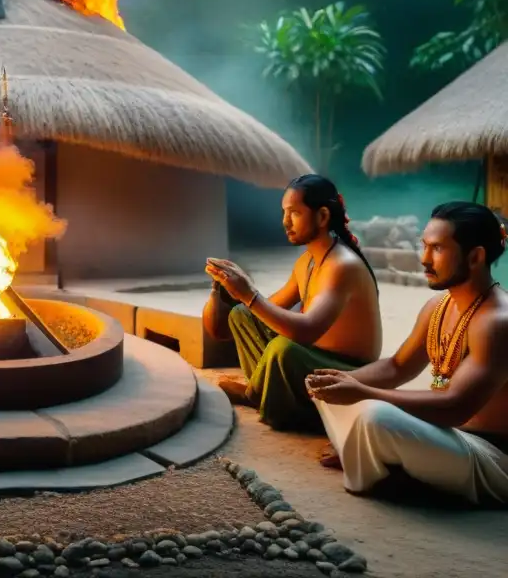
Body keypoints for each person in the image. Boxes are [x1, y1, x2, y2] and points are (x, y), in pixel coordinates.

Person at [307, 202, 508, 504]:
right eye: (423, 246)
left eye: (437, 249)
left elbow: (456, 406)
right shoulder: (438, 307)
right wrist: (344, 380)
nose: (424, 259)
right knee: (326, 389)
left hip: (490, 456)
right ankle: (378, 457)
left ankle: (381, 465)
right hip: (445, 435)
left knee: (375, 415)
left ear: (475, 256)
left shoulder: (497, 322)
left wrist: (363, 392)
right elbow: (396, 367)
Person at [203, 174, 382, 431]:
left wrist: (250, 293)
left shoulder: (343, 266)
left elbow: (306, 330)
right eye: (284, 213)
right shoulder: (306, 262)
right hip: (312, 359)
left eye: (294, 213)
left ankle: (266, 400)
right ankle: (265, 394)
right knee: (243, 315)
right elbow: (263, 311)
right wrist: (227, 291)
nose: (285, 222)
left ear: (322, 217)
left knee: (283, 348)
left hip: (349, 373)